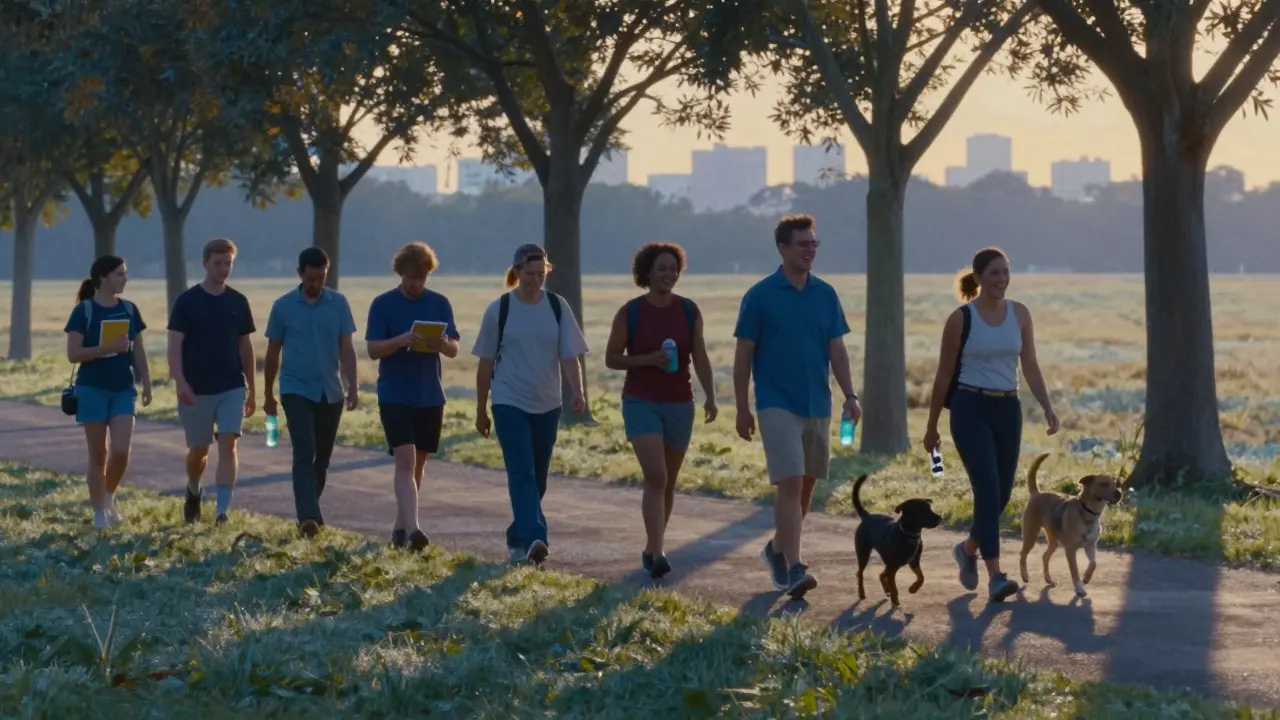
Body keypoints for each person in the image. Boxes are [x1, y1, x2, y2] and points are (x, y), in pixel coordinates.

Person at [732, 214, 861, 600]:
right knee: (789, 482)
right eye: (803, 243)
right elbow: (743, 356)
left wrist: (850, 395)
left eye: (814, 244)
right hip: (776, 403)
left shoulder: (825, 294)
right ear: (783, 248)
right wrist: (742, 407)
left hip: (816, 403)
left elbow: (836, 349)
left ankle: (776, 551)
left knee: (805, 488)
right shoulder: (760, 296)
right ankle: (795, 567)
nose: (810, 250)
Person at [923, 246, 1059, 603]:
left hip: (1007, 408)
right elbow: (943, 375)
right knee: (986, 489)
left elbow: (1029, 363)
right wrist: (932, 425)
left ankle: (968, 549)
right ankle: (996, 576)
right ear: (979, 277)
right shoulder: (961, 318)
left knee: (1000, 494)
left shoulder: (1021, 313)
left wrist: (1047, 406)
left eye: (1005, 272)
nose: (1002, 279)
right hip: (970, 407)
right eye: (994, 273)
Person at [603, 241, 717, 579]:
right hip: (641, 401)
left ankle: (653, 547)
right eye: (662, 268)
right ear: (647, 272)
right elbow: (611, 358)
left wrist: (710, 395)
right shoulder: (631, 312)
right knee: (656, 476)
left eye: (674, 268)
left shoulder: (688, 310)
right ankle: (658, 551)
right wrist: (648, 360)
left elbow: (700, 355)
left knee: (668, 482)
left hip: (680, 403)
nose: (669, 274)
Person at [472, 244, 588, 567]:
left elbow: (569, 355)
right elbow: (484, 365)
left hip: (547, 402)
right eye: (529, 274)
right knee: (521, 470)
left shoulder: (557, 306)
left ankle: (517, 535)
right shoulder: (500, 309)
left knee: (538, 477)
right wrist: (482, 409)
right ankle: (537, 537)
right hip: (509, 400)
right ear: (516, 273)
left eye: (541, 274)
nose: (535, 280)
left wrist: (577, 391)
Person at [365, 241, 460, 552]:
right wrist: (401, 340)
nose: (416, 285)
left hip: (430, 393)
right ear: (400, 274)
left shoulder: (440, 303)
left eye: (422, 279)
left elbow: (454, 348)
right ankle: (416, 530)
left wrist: (441, 344)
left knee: (418, 465)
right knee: (404, 461)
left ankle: (400, 528)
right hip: (394, 392)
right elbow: (373, 349)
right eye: (410, 279)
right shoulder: (382, 304)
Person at [263, 247, 360, 538]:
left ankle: (311, 513)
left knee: (323, 458)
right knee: (304, 450)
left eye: (321, 278)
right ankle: (307, 516)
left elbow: (347, 348)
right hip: (296, 388)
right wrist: (267, 393)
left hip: (330, 391)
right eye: (311, 278)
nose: (316, 284)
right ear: (300, 274)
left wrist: (352, 385)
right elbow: (272, 352)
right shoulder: (283, 306)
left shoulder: (339, 304)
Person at [167, 237, 257, 526]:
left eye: (228, 263)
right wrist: (180, 382)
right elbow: (174, 346)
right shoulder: (187, 302)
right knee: (198, 451)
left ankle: (222, 511)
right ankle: (194, 489)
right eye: (218, 263)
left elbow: (246, 347)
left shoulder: (238, 302)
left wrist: (252, 390)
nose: (223, 269)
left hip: (231, 385)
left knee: (229, 443)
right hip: (196, 389)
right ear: (205, 263)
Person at [64, 255, 152, 528]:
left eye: (124, 274)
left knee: (121, 451)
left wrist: (147, 380)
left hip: (123, 389)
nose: (124, 279)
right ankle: (99, 514)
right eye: (119, 274)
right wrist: (108, 348)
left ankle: (108, 496)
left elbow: (138, 348)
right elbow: (73, 354)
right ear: (102, 278)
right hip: (91, 388)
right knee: (98, 455)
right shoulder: (84, 311)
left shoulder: (129, 309)